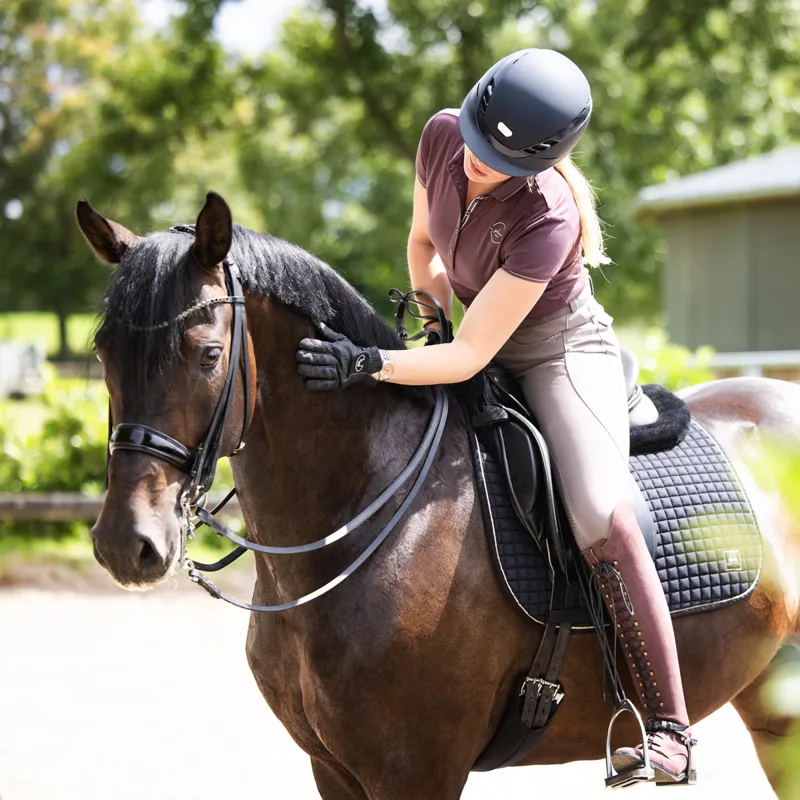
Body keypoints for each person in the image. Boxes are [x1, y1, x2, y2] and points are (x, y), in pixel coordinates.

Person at [296, 48, 695, 785]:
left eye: (497, 165)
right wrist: (427, 318)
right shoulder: (443, 134)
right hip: (471, 329)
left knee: (598, 512)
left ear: (544, 161)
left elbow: (476, 360)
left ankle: (669, 725)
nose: (475, 167)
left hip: (555, 351)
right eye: (475, 150)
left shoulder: (550, 215)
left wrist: (368, 362)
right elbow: (424, 246)